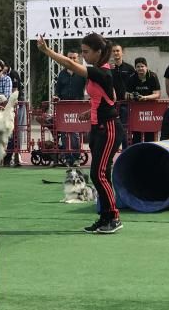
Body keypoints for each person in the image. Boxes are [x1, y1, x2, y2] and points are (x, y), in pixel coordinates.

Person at [37, 32, 122, 234]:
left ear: (98, 52)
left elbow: (70, 65)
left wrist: (47, 51)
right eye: (82, 52)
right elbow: (112, 97)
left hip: (108, 128)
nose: (84, 56)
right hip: (97, 127)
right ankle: (105, 217)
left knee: (98, 174)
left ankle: (114, 217)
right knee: (102, 175)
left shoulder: (102, 72)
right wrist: (89, 111)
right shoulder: (99, 74)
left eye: (86, 52)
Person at [54, 49, 87, 163]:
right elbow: (57, 91)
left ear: (78, 59)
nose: (72, 60)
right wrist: (56, 97)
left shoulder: (82, 73)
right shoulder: (62, 74)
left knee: (75, 133)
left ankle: (76, 158)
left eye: (74, 58)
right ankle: (67, 158)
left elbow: (90, 87)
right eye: (70, 58)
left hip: (77, 106)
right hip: (64, 107)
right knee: (64, 133)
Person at [125, 57, 161, 144]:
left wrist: (145, 98)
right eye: (138, 66)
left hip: (150, 110)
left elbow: (157, 94)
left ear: (146, 67)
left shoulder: (152, 76)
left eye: (142, 66)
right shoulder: (132, 77)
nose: (140, 68)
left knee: (150, 135)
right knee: (136, 134)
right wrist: (132, 96)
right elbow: (126, 95)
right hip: (136, 110)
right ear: (135, 68)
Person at [110, 44, 135, 151]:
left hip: (125, 104)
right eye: (114, 51)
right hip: (112, 104)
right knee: (113, 129)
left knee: (124, 129)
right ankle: (111, 152)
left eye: (118, 51)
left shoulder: (129, 68)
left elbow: (135, 83)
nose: (116, 53)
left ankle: (125, 151)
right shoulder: (108, 68)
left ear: (122, 52)